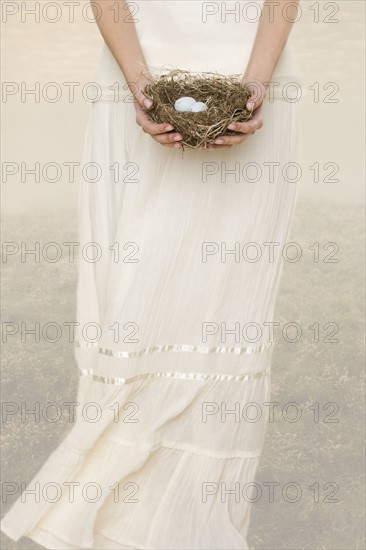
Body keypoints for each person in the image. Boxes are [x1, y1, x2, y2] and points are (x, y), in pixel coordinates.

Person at [1, 1, 301, 548]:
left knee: (225, 308)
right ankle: (110, 512)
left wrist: (256, 85)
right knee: (133, 301)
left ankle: (194, 518)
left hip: (252, 73)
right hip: (135, 73)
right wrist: (140, 85)